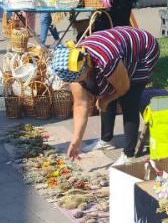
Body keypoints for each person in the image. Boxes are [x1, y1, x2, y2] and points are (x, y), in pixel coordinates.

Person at [52, 26, 160, 160]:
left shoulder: (106, 61)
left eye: (79, 79)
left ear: (88, 67)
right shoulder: (72, 66)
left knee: (129, 99)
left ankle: (128, 154)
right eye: (73, 80)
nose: (77, 83)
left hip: (143, 50)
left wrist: (107, 99)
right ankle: (107, 140)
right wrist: (76, 140)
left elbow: (124, 88)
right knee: (106, 91)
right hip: (116, 49)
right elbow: (81, 105)